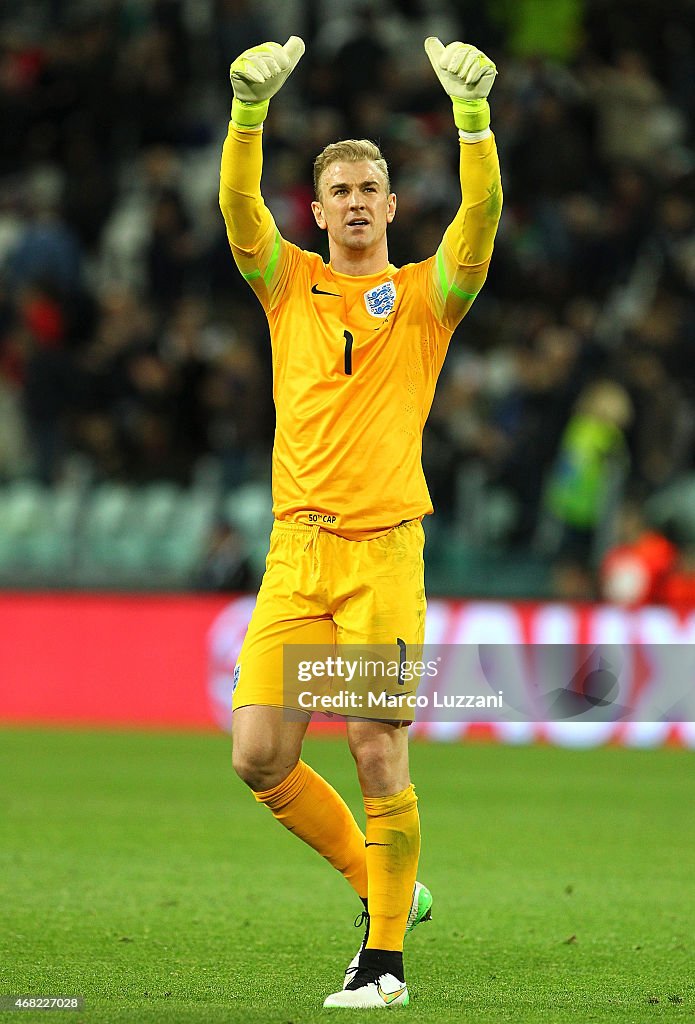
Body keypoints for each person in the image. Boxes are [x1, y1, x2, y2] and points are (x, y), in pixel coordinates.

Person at [219, 34, 502, 1009]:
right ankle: (387, 891)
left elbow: (481, 220)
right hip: (295, 552)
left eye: (364, 189)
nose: (349, 202)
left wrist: (473, 125)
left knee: (376, 747)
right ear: (319, 207)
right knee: (258, 755)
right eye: (334, 189)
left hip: (380, 554)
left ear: (387, 206)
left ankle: (381, 964)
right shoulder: (286, 283)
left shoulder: (425, 297)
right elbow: (235, 211)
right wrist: (245, 116)